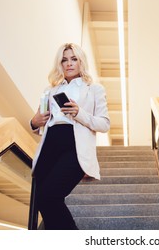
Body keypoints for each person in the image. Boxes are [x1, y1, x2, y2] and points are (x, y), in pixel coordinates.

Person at [30, 43, 110, 230]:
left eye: (74, 59)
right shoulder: (50, 90)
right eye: (64, 60)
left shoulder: (94, 89)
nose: (69, 63)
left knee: (50, 197)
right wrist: (34, 121)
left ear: (81, 61)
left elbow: (104, 124)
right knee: (42, 201)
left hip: (74, 146)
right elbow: (39, 123)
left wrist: (79, 112)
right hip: (48, 147)